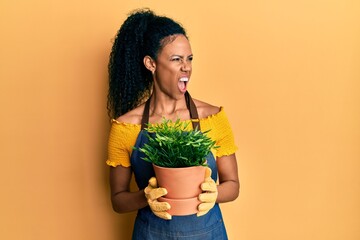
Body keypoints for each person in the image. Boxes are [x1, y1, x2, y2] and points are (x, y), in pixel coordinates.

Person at [106, 9, 239, 239]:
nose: (186, 67)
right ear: (151, 63)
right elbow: (118, 200)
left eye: (189, 59)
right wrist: (146, 196)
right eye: (176, 59)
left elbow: (233, 184)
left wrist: (214, 193)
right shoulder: (127, 128)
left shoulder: (212, 117)